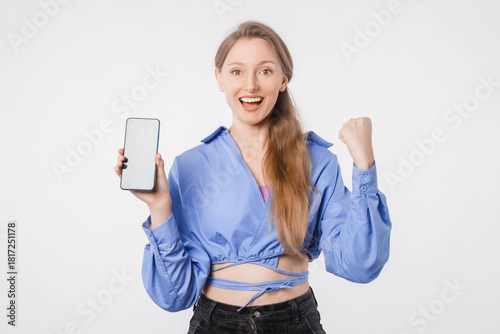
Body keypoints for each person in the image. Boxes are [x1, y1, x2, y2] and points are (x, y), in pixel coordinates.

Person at [115, 20, 392, 334]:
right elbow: (174, 294)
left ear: (283, 79)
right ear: (219, 78)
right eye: (236, 71)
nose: (250, 86)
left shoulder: (316, 161)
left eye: (265, 71)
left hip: (295, 322)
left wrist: (364, 166)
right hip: (215, 324)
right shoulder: (190, 165)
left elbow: (360, 264)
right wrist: (159, 208)